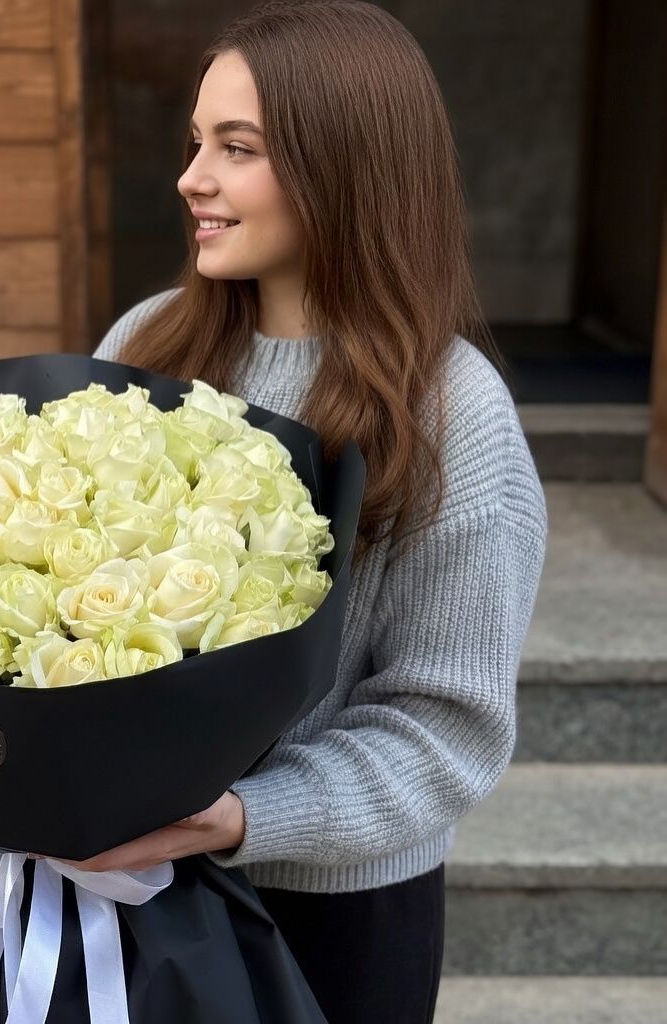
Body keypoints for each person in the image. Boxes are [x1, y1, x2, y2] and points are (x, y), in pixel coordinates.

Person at [54, 2, 548, 1021]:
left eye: (236, 149)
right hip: (116, 886)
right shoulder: (145, 343)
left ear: (346, 168)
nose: (192, 178)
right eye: (196, 143)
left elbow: (442, 726)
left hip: (332, 923)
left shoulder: (452, 414)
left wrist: (241, 815)